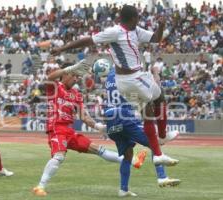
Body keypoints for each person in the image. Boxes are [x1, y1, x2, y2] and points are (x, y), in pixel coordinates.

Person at [51, 5, 178, 166]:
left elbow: (156, 38)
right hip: (134, 78)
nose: (139, 20)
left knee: (148, 111)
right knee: (159, 97)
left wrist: (161, 26)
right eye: (137, 17)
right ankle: (162, 136)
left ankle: (158, 154)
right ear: (132, 19)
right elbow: (87, 40)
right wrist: (62, 48)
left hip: (126, 82)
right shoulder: (115, 32)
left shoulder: (136, 30)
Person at [32, 60, 147, 197]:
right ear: (66, 75)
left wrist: (99, 127)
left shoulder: (76, 94)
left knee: (97, 149)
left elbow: (84, 116)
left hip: (69, 131)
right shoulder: (55, 87)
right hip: (56, 129)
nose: (76, 79)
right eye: (74, 75)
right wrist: (69, 68)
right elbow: (49, 78)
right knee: (59, 157)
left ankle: (133, 161)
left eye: (78, 77)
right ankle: (40, 186)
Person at [104, 67, 180, 197]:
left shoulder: (109, 78)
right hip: (124, 115)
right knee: (154, 142)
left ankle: (123, 189)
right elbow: (155, 87)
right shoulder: (128, 74)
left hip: (109, 118)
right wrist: (155, 72)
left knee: (127, 155)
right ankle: (162, 177)